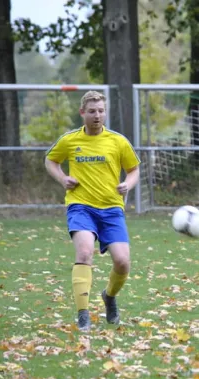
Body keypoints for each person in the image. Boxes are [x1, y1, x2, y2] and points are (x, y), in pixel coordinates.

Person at [45, 90, 140, 331]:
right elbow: (50, 160)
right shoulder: (70, 140)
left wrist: (127, 184)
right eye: (92, 111)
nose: (97, 116)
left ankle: (109, 296)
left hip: (111, 209)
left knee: (122, 263)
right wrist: (62, 178)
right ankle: (83, 314)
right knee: (84, 254)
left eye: (101, 111)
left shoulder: (118, 141)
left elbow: (133, 170)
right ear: (82, 113)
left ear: (105, 113)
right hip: (81, 207)